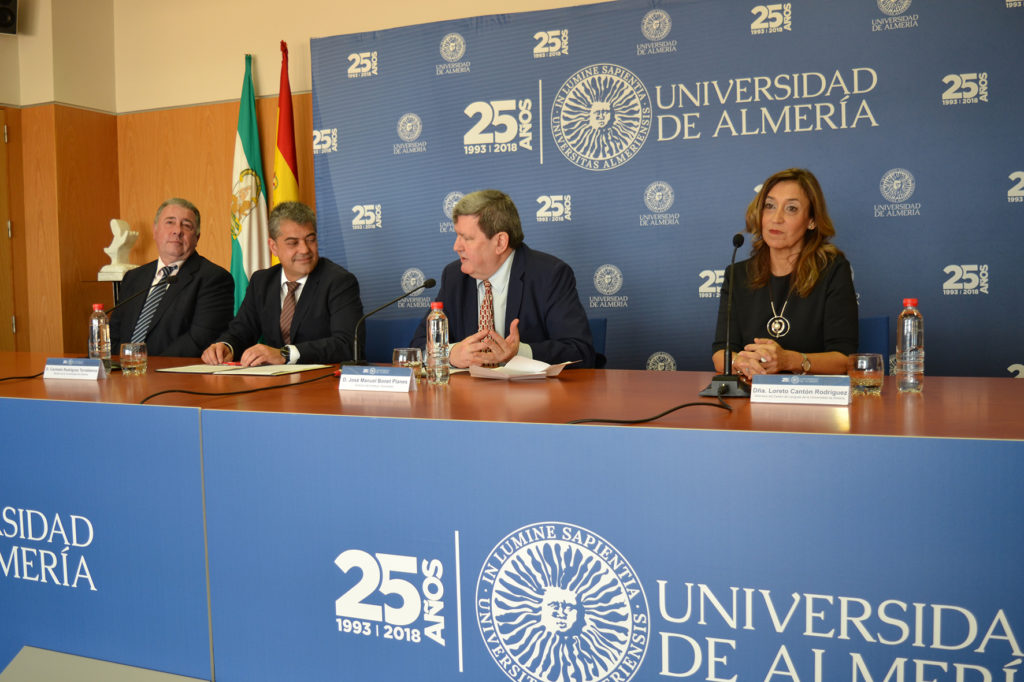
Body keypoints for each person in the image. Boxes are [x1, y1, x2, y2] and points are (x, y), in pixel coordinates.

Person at [412, 189, 598, 368]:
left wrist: (519, 352)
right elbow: (418, 345)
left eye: (466, 238)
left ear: (500, 242)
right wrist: (450, 354)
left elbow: (580, 351)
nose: (456, 246)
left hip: (530, 397)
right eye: (457, 235)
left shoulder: (549, 275)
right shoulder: (454, 277)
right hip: (468, 396)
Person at [712, 168, 858, 379]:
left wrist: (789, 360)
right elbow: (721, 353)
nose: (776, 218)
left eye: (791, 209)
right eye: (769, 206)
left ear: (811, 221)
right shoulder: (738, 274)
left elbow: (845, 359)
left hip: (813, 402)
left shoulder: (833, 270)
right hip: (752, 396)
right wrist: (741, 362)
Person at [201, 201, 363, 366]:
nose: (305, 249)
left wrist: (285, 354)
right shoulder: (262, 282)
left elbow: (347, 344)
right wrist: (226, 346)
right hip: (275, 382)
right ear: (273, 247)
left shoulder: (338, 282)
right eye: (293, 243)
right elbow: (241, 331)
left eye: (310, 239)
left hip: (321, 381)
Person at [110, 198, 233, 357]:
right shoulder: (133, 277)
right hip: (124, 374)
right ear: (155, 231)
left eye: (187, 225)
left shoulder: (214, 278)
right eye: (170, 222)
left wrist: (147, 367)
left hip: (173, 376)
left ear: (197, 237)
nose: (177, 230)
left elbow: (200, 339)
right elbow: (113, 334)